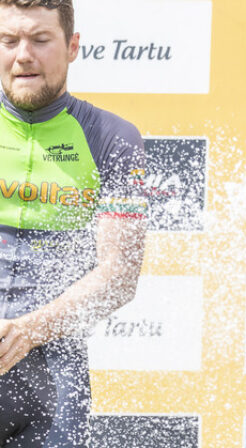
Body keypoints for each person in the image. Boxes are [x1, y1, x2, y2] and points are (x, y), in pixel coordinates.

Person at [0, 1, 147, 446]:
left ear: (73, 46)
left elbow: (119, 277)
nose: (23, 55)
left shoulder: (113, 137)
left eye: (40, 40)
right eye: (9, 41)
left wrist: (27, 331)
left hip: (52, 380)